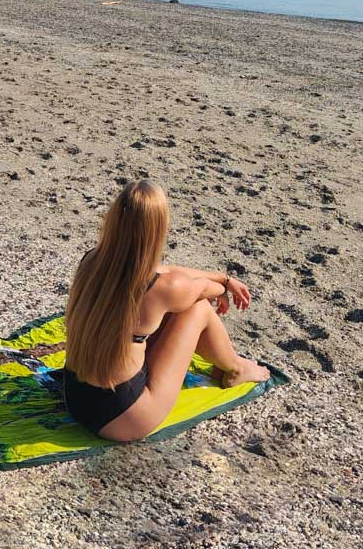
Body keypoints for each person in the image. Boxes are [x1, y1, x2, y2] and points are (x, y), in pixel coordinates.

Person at [63, 180, 270, 441]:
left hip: (76, 398)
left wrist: (223, 277)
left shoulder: (92, 261)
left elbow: (169, 273)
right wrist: (223, 285)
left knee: (176, 304)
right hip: (124, 418)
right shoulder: (164, 289)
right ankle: (237, 367)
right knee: (198, 309)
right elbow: (200, 289)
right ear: (158, 229)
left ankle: (228, 363)